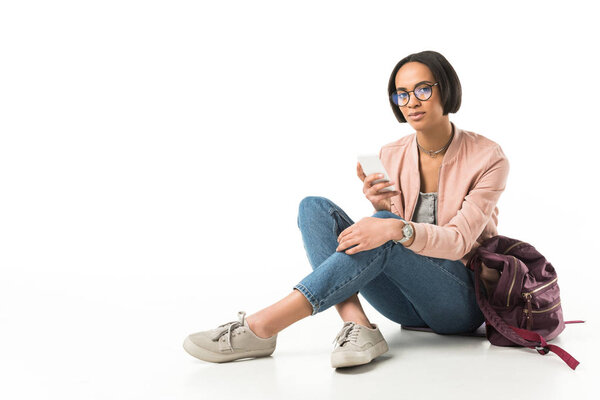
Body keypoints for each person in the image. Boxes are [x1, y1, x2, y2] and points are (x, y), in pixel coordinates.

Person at [183, 50, 510, 368]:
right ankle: (360, 327)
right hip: (404, 306)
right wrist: (383, 206)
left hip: (459, 303)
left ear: (446, 88)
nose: (412, 102)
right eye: (402, 94)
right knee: (313, 208)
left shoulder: (487, 157)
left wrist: (392, 225)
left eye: (423, 89)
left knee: (384, 225)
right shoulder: (392, 153)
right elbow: (394, 226)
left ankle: (262, 327)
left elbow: (458, 241)